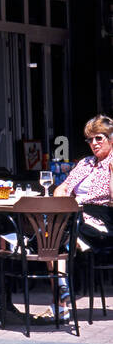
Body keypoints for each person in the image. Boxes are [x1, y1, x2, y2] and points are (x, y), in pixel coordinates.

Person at [53, 114, 113, 322]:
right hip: (73, 213)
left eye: (99, 138)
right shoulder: (85, 163)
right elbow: (63, 187)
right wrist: (60, 197)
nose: (94, 144)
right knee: (53, 237)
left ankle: (61, 301)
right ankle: (63, 291)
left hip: (101, 219)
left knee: (55, 237)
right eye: (90, 139)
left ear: (111, 138)